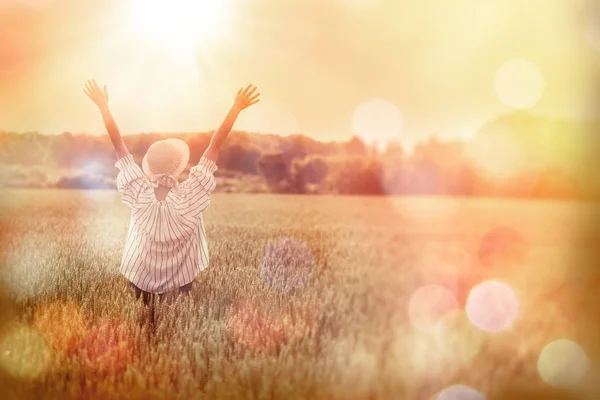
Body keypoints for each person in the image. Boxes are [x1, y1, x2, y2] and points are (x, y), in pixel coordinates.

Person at [84, 80, 260, 306]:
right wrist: (236, 108)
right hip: (181, 286)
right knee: (182, 303)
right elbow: (215, 146)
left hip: (139, 283)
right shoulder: (190, 194)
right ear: (178, 166)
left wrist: (103, 106)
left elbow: (118, 144)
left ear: (150, 167)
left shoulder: (139, 191)